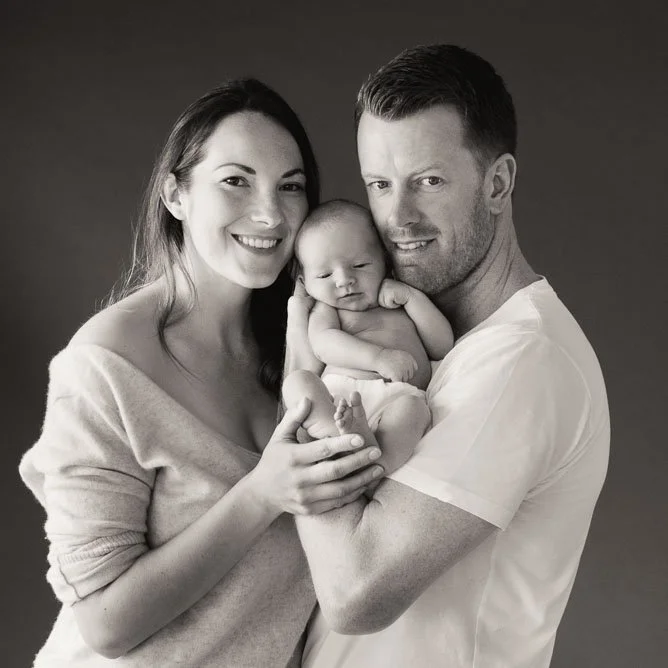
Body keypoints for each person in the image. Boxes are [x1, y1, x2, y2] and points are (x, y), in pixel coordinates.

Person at [18, 79, 385, 667]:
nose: (270, 213)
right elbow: (105, 624)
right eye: (236, 181)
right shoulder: (103, 368)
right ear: (176, 194)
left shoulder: (313, 342)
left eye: (290, 186)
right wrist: (261, 495)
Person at [292, 45, 610, 668]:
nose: (397, 218)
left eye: (428, 181)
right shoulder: (426, 339)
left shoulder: (522, 359)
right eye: (380, 185)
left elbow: (355, 593)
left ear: (498, 184)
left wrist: (301, 384)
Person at [282, 199, 453, 475]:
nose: (344, 280)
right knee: (297, 382)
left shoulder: (401, 299)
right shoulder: (327, 309)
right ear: (305, 282)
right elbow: (324, 344)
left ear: (385, 260)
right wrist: (378, 358)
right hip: (336, 398)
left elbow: (442, 346)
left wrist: (412, 299)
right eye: (324, 275)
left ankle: (375, 466)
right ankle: (335, 436)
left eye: (360, 265)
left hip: (396, 400)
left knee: (416, 410)